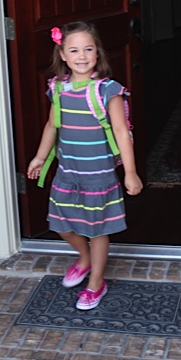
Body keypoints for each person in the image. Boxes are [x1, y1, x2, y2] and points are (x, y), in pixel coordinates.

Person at [27, 21, 143, 310]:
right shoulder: (58, 88)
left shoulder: (107, 90)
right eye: (74, 50)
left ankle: (96, 283)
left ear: (97, 53)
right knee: (61, 225)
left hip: (98, 176)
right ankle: (85, 258)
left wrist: (130, 173)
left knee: (97, 231)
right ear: (63, 54)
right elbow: (52, 126)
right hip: (67, 173)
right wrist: (40, 157)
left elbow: (121, 133)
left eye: (88, 49)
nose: (82, 56)